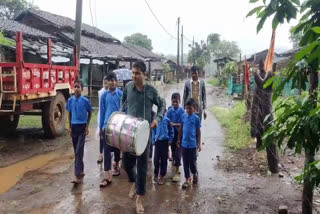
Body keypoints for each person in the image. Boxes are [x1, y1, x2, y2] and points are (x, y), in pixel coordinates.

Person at [121, 61, 165, 214]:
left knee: (142, 165)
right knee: (126, 163)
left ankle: (139, 198)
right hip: (129, 132)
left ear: (144, 75)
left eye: (137, 73)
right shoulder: (128, 87)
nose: (134, 76)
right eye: (133, 73)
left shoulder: (151, 90)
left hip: (145, 133)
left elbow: (162, 105)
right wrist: (122, 118)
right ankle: (134, 181)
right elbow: (123, 102)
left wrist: (157, 119)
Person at [99, 72, 123, 187]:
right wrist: (100, 127)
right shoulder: (104, 95)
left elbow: (124, 111)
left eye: (114, 80)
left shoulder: (121, 95)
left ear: (117, 82)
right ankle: (107, 176)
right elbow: (102, 111)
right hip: (106, 126)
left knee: (117, 148)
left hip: (117, 126)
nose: (113, 82)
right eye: (110, 80)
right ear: (107, 82)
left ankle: (117, 165)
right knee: (106, 150)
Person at [66, 80, 93, 184]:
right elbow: (69, 113)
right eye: (75, 86)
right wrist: (70, 127)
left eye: (78, 87)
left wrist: (87, 126)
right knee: (77, 152)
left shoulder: (85, 101)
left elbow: (90, 112)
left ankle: (76, 175)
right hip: (74, 127)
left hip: (82, 128)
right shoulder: (70, 100)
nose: (76, 88)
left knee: (78, 151)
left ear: (82, 89)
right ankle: (81, 170)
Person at [177, 98, 201, 189]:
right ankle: (187, 179)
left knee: (192, 162)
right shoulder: (183, 116)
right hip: (184, 144)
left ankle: (194, 173)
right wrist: (178, 140)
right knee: (185, 162)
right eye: (187, 108)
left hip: (192, 145)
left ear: (194, 108)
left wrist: (199, 143)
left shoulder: (196, 118)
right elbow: (181, 129)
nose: (188, 110)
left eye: (190, 108)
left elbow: (198, 131)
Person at [153, 104, 174, 185]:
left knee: (164, 160)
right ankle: (156, 173)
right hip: (158, 141)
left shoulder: (167, 121)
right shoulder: (156, 120)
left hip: (165, 142)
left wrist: (170, 139)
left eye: (163, 111)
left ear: (165, 111)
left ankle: (161, 176)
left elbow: (171, 131)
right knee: (156, 159)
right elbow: (154, 130)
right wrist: (153, 139)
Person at [166, 93, 185, 182]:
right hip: (172, 134)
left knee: (178, 152)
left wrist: (174, 124)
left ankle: (177, 172)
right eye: (173, 102)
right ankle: (177, 165)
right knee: (173, 151)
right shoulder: (169, 111)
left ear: (179, 101)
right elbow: (167, 121)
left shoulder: (182, 111)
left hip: (179, 134)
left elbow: (183, 123)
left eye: (176, 102)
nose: (175, 104)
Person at [96, 76, 108, 164]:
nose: (106, 84)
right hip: (102, 115)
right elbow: (101, 107)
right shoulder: (101, 93)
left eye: (107, 82)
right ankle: (101, 154)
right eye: (105, 83)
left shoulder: (113, 92)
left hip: (109, 116)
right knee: (101, 136)